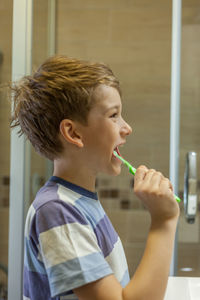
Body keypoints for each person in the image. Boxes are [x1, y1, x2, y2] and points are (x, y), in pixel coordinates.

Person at [10, 55, 180, 300]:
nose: (127, 127)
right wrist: (163, 221)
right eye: (114, 115)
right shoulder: (57, 211)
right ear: (73, 132)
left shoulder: (77, 202)